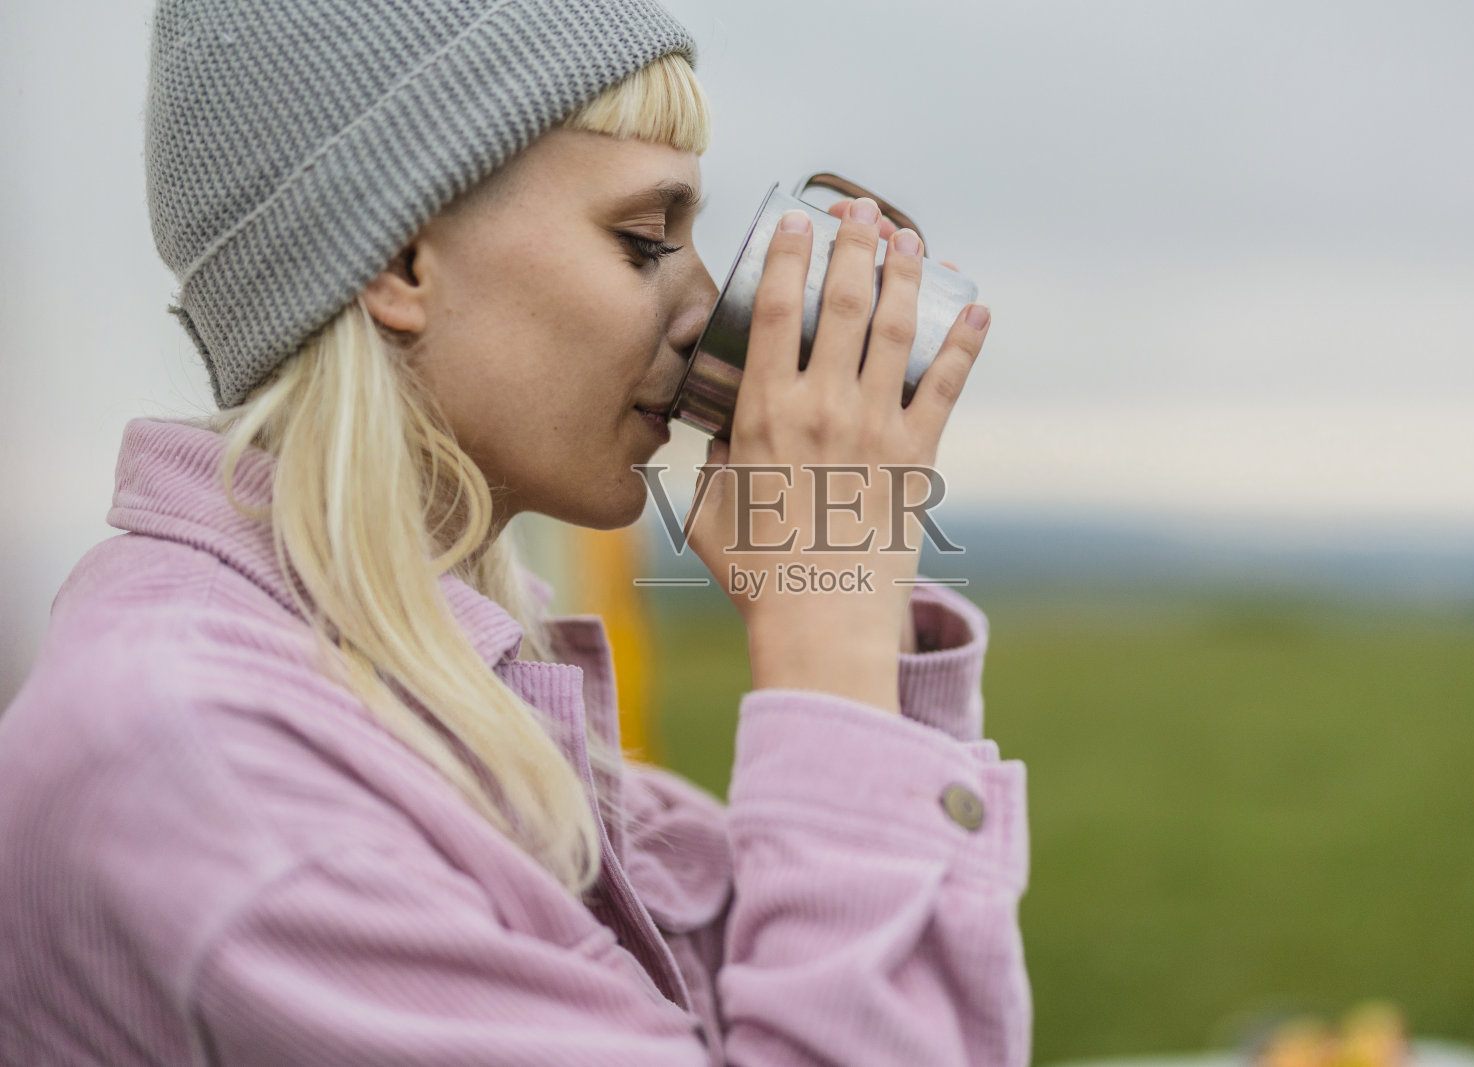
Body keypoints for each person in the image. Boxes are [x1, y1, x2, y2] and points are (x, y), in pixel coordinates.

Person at [0, 0, 1028, 1063]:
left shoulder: (430, 689)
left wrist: (868, 666)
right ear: (398, 261)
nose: (701, 303)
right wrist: (826, 634)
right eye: (643, 240)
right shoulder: (216, 767)